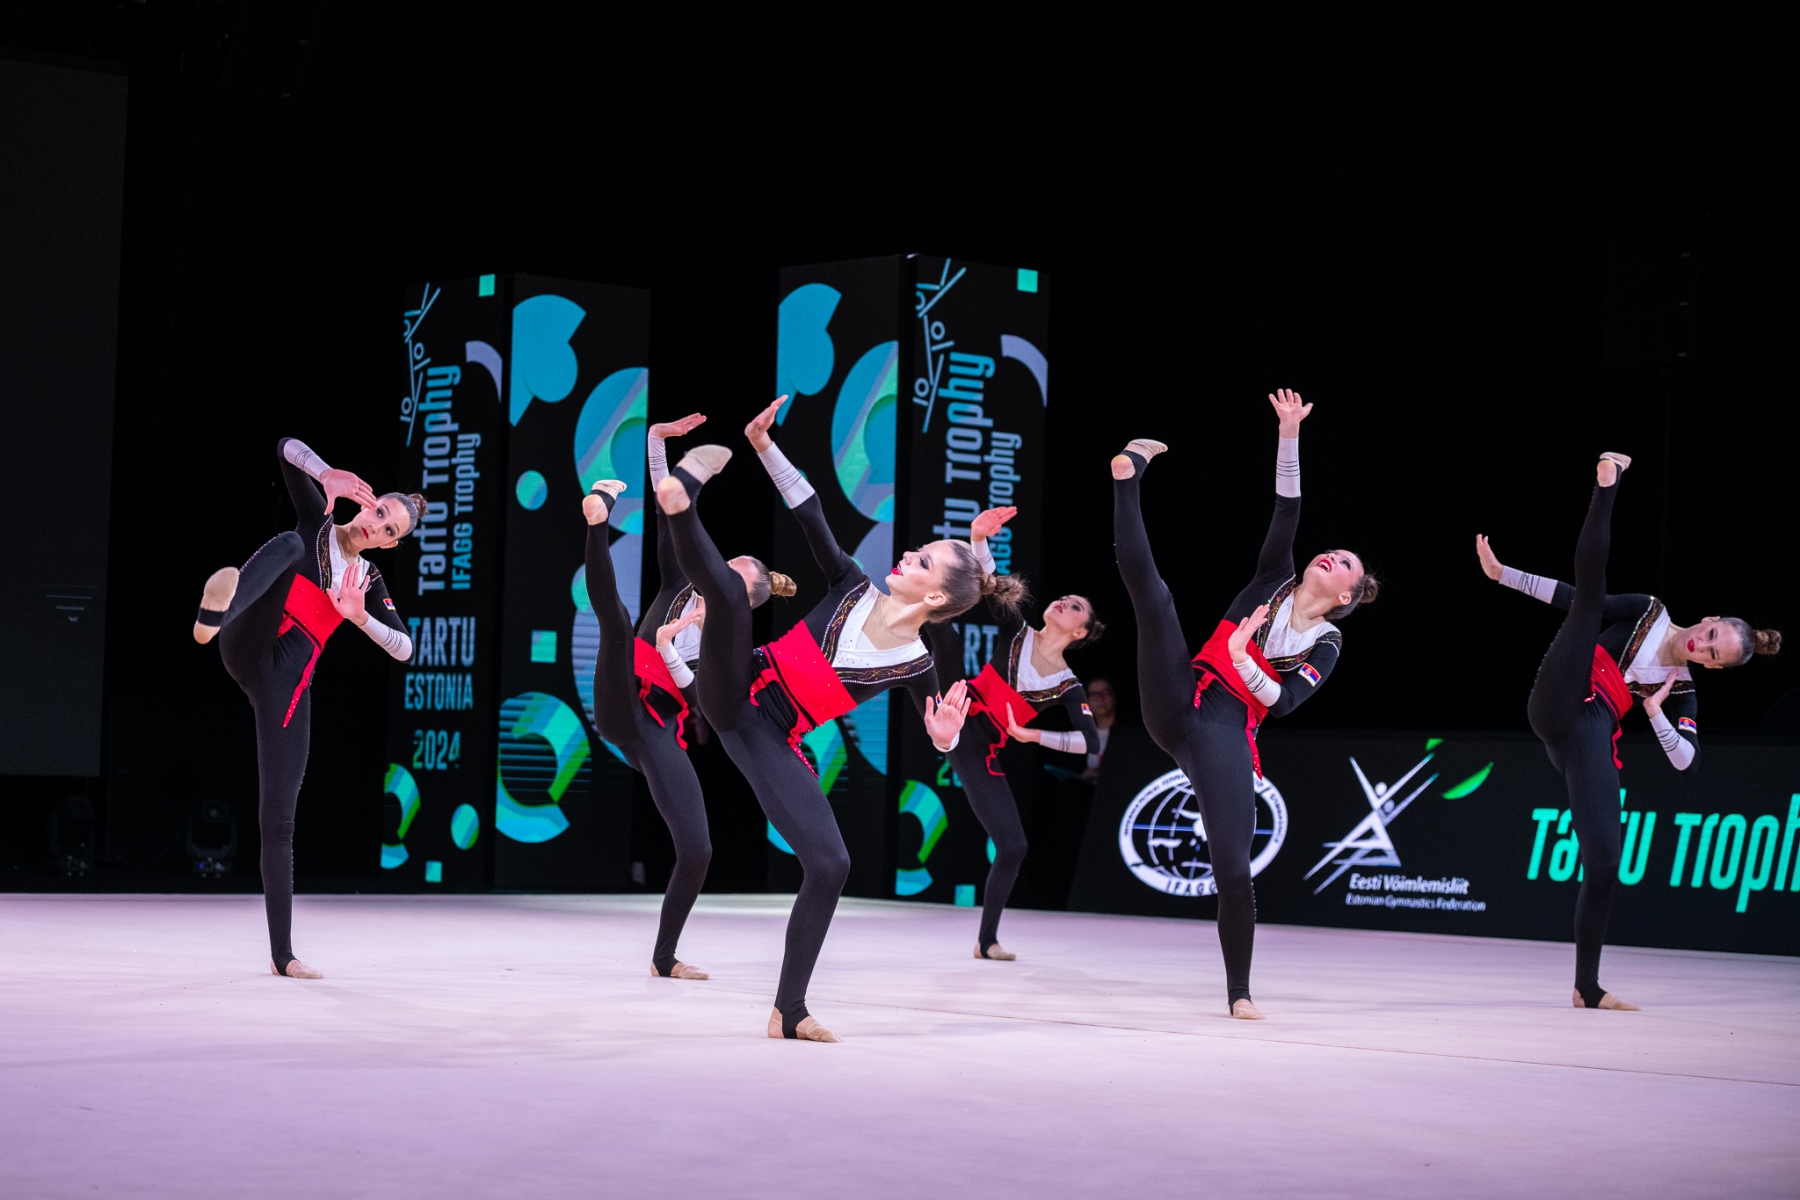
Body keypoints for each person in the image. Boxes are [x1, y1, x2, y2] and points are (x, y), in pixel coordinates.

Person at [655, 397, 1013, 1042]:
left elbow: (940, 729)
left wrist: (944, 738)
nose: (908, 554)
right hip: (735, 686)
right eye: (919, 549)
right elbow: (810, 511)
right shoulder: (851, 583)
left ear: (934, 595)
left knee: (830, 863)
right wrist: (763, 444)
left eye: (923, 560)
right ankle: (682, 500)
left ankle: (788, 1011)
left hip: (772, 734)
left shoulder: (917, 664)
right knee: (731, 593)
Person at [1478, 455, 1781, 1009]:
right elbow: (1575, 598)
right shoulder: (1650, 612)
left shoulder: (1682, 689)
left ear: (1711, 667)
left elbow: (1687, 761)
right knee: (1590, 599)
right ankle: (1607, 486)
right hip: (1568, 686)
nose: (1704, 646)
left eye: (1713, 654)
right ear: (1710, 618)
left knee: (1605, 863)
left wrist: (1657, 713)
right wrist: (1505, 576)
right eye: (1712, 635)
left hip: (1590, 729)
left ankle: (1586, 987)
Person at [1111, 389, 1377, 1019]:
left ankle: (1239, 991)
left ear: (1346, 594)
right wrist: (1289, 433)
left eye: (1344, 563)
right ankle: (1126, 479)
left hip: (1224, 724)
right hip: (1179, 692)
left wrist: (1241, 658)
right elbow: (1287, 507)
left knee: (1232, 867)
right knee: (1155, 600)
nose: (1330, 555)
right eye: (1332, 551)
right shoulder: (1274, 577)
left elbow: (1284, 703)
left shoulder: (1328, 642)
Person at [192, 438, 419, 979]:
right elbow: (284, 448)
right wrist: (325, 472)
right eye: (380, 513)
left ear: (390, 544)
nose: (377, 527)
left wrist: (360, 617)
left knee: (280, 821)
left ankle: (283, 955)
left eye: (389, 531)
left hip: (285, 682)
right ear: (367, 503)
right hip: (248, 638)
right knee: (291, 543)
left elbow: (406, 649)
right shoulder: (319, 523)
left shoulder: (368, 582)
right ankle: (214, 614)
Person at [582, 413, 797, 982]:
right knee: (616, 619)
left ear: (743, 600)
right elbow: (666, 511)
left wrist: (671, 648)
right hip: (620, 690)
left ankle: (664, 956)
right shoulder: (681, 585)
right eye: (722, 566)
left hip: (655, 722)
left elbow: (700, 698)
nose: (716, 572)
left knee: (698, 848)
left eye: (731, 576)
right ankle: (598, 518)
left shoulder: (732, 641)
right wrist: (656, 443)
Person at [923, 506, 1103, 960]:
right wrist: (978, 538)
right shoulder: (1017, 630)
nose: (1063, 601)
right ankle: (899, 607)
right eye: (1064, 597)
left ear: (1079, 632)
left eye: (1075, 607)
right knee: (945, 631)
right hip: (955, 703)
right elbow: (993, 585)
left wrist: (1030, 736)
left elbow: (1090, 743)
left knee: (1015, 846)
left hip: (977, 748)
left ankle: (986, 940)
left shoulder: (1067, 685)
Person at [1082, 678, 1118, 782]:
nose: (1100, 699)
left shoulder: (1128, 735)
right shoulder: (1084, 736)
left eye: (1106, 693)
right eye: (1094, 695)